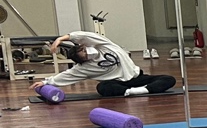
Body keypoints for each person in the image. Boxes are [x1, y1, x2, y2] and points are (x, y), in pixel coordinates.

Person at [32, 31, 176, 97]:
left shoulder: (103, 45)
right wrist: (45, 82)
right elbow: (66, 76)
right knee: (103, 88)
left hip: (137, 77)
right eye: (84, 55)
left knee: (169, 79)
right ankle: (135, 91)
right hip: (118, 83)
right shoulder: (85, 68)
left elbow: (83, 35)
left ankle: (141, 90)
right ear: (83, 61)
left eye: (84, 50)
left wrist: (60, 39)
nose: (88, 53)